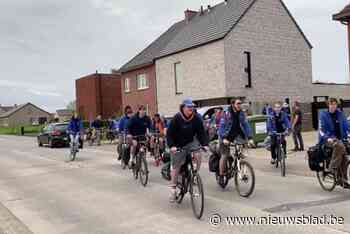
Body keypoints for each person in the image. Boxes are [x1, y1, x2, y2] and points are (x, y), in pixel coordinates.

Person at [166, 98, 209, 203]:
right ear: (183, 107)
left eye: (192, 107)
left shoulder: (196, 118)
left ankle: (194, 174)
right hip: (178, 144)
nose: (191, 108)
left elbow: (201, 132)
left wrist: (205, 144)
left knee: (198, 154)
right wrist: (172, 146)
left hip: (191, 141)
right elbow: (169, 134)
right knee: (176, 166)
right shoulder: (177, 118)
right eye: (189, 107)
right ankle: (173, 189)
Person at [218, 99, 254, 186]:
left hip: (237, 135)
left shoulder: (241, 113)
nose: (239, 105)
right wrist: (223, 138)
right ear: (233, 104)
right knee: (225, 155)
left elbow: (245, 125)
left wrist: (250, 138)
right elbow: (221, 127)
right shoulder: (226, 113)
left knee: (241, 151)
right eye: (238, 103)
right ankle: (221, 175)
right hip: (226, 136)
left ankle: (238, 162)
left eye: (240, 103)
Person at [319, 98, 350, 174]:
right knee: (339, 145)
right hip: (328, 139)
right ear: (328, 105)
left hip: (340, 139)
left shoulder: (340, 114)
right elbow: (321, 130)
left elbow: (347, 125)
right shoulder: (323, 115)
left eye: (335, 104)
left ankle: (343, 181)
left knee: (345, 159)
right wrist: (327, 138)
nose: (333, 106)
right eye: (331, 104)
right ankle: (332, 168)